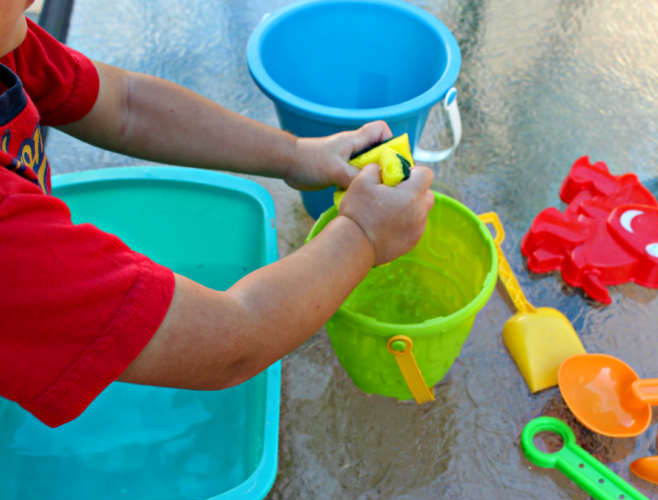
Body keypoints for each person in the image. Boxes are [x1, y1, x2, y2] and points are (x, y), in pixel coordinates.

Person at [0, 1, 434, 427]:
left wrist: (295, 154)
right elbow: (230, 343)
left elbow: (125, 103)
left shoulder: (8, 43)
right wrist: (362, 235)